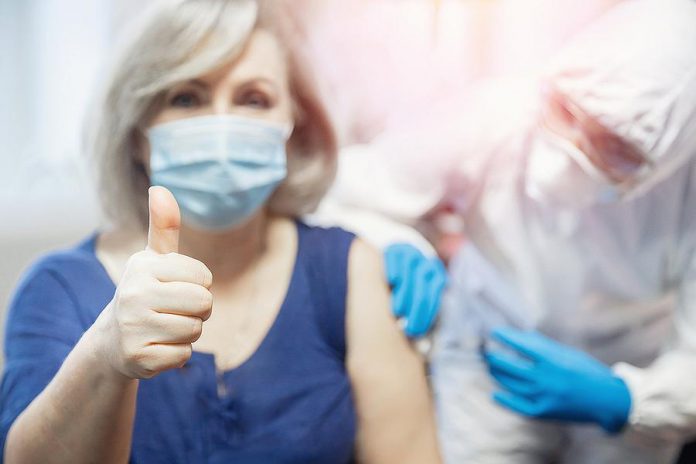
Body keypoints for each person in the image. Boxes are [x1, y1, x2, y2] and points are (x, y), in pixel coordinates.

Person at [0, 1, 442, 463]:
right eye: (187, 97)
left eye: (254, 99)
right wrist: (104, 356)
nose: (223, 125)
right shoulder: (60, 290)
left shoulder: (350, 273)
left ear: (294, 128)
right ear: (136, 133)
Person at [314, 0, 696, 462]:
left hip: (634, 370)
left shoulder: (687, 185)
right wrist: (393, 240)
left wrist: (630, 400)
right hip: (489, 355)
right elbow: (346, 191)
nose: (568, 151)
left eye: (614, 146)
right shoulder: (500, 110)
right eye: (566, 110)